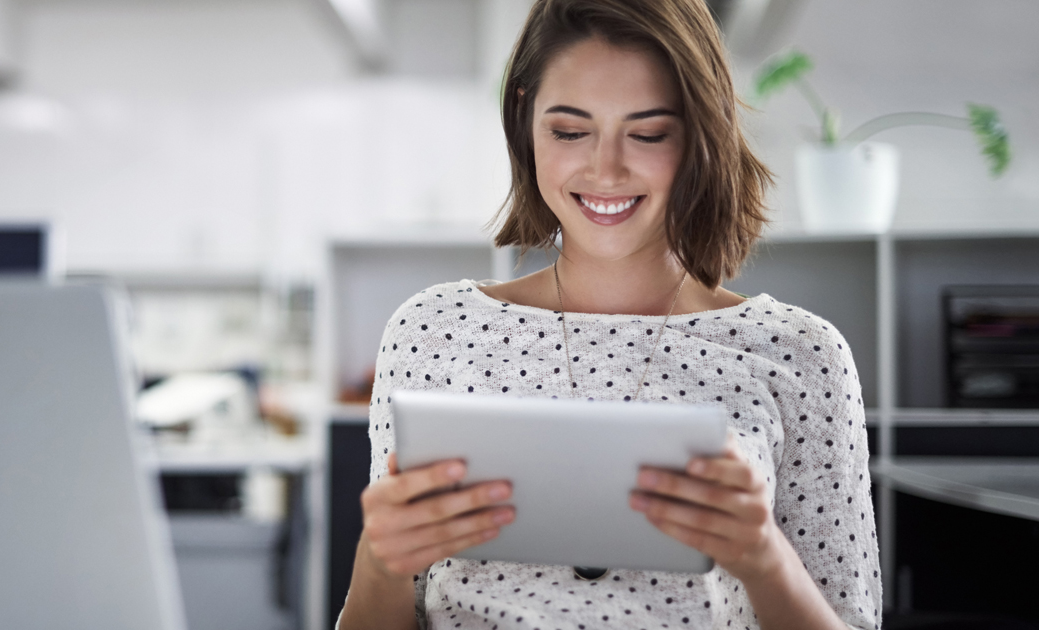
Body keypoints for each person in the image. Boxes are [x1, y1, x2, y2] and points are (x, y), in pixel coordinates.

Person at [338, 0, 882, 628]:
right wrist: (379, 563)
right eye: (570, 131)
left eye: (648, 133)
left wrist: (764, 558)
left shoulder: (801, 354)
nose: (606, 170)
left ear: (701, 134)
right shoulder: (431, 331)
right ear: (524, 118)